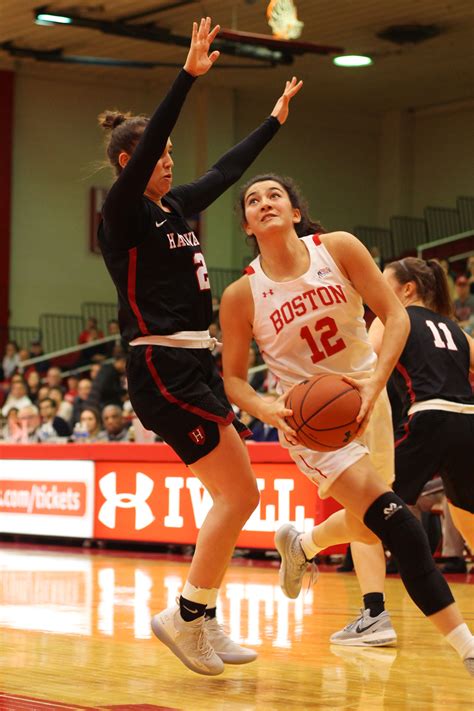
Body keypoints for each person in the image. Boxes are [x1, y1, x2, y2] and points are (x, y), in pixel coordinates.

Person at [96, 17, 302, 676]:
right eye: (159, 155)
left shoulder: (173, 208)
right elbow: (155, 131)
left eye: (170, 155)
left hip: (195, 364)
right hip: (160, 363)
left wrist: (273, 120)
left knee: (239, 496)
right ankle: (186, 617)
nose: (169, 159)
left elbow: (224, 171)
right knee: (240, 497)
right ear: (130, 163)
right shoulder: (122, 212)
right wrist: (187, 74)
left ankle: (198, 614)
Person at [219, 174, 474, 675]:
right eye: (253, 200)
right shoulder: (241, 295)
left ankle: (303, 543)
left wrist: (375, 384)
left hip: (370, 402)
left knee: (367, 523)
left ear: (295, 212)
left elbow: (396, 317)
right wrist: (270, 410)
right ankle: (466, 647)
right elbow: (232, 380)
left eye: (275, 195)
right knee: (398, 521)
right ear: (247, 225)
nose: (264, 202)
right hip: (315, 428)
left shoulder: (337, 249)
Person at [370, 256, 474, 558]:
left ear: (407, 289)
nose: (377, 291)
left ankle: (307, 543)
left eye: (384, 284)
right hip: (467, 421)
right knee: (466, 510)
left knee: (371, 501)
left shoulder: (392, 319)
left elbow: (363, 360)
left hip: (428, 418)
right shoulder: (454, 329)